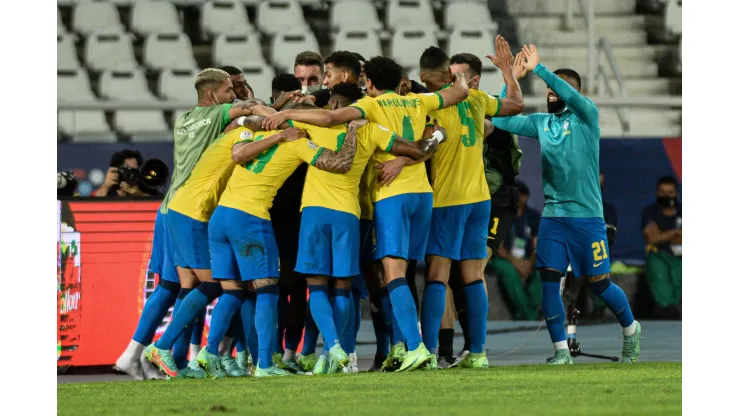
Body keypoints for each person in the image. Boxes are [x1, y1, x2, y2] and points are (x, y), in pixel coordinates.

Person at [261, 55, 470, 372]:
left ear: (369, 84)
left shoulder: (369, 110)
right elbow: (458, 94)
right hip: (422, 194)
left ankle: (409, 348)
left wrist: (287, 112)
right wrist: (457, 81)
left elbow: (332, 120)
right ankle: (408, 347)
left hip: (388, 197)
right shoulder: (417, 100)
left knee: (391, 275)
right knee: (405, 275)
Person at [492, 45, 641, 364]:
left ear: (573, 92)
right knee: (549, 282)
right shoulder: (541, 124)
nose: (549, 92)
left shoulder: (588, 116)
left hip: (587, 219)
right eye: (547, 88)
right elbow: (500, 121)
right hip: (554, 219)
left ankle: (630, 329)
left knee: (599, 285)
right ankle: (561, 351)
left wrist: (541, 69)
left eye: (556, 88)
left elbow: (572, 97)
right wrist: (511, 77)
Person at [287, 86, 446, 374]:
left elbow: (267, 118)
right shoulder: (371, 130)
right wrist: (436, 134)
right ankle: (357, 352)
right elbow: (418, 149)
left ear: (334, 103)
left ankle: (332, 348)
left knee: (316, 287)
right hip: (353, 214)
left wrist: (284, 107)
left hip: (315, 211)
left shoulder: (309, 125)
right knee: (348, 289)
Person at [114, 68, 256, 380]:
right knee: (182, 285)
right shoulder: (218, 115)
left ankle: (160, 357)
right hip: (190, 208)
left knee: (182, 285)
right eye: (231, 89)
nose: (235, 94)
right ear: (214, 94)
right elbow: (246, 112)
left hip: (170, 208)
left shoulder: (184, 120)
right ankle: (147, 353)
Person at [202, 109, 363, 378]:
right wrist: (353, 131)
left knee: (232, 292)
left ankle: (208, 354)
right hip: (251, 219)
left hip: (221, 216)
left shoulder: (259, 130)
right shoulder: (299, 141)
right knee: (267, 291)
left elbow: (242, 145)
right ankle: (265, 364)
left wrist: (274, 125)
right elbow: (339, 163)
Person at [144, 101, 286, 379]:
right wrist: (279, 124)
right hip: (194, 212)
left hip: (189, 210)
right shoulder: (243, 136)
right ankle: (161, 347)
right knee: (211, 285)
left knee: (231, 290)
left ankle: (205, 356)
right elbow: (251, 131)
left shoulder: (236, 134)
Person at [414, 37, 525, 369]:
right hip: (480, 200)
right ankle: (477, 352)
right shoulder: (477, 99)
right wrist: (507, 72)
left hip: (448, 200)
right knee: (473, 276)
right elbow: (516, 105)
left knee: (437, 276)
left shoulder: (431, 103)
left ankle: (430, 353)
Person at [491, 182, 542, 321]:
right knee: (507, 270)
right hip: (503, 258)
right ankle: (528, 314)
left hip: (526, 257)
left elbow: (537, 245)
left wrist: (529, 263)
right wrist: (516, 263)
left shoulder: (532, 216)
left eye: (521, 195)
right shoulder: (500, 215)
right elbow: (497, 246)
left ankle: (530, 310)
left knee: (541, 266)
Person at [641, 176, 681, 318]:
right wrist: (676, 232)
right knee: (658, 271)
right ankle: (668, 308)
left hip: (681, 256)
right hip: (659, 254)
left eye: (670, 192)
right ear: (657, 193)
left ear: (676, 193)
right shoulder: (650, 212)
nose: (666, 196)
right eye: (662, 192)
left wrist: (663, 234)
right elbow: (653, 238)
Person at [93, 149, 158, 197]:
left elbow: (159, 205)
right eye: (127, 169)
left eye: (134, 170)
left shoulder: (144, 189)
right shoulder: (107, 192)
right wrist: (106, 186)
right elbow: (93, 207)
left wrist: (138, 194)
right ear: (117, 171)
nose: (132, 174)